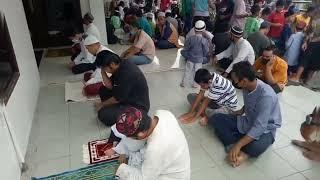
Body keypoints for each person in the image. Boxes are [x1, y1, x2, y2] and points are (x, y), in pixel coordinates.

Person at [210, 61, 282, 167]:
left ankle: (241, 149)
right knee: (216, 118)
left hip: (266, 130)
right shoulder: (246, 87)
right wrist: (242, 110)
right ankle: (236, 147)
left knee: (256, 147)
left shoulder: (266, 95)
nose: (235, 84)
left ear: (244, 81)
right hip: (247, 121)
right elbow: (251, 102)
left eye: (236, 82)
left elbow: (260, 127)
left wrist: (239, 144)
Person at [115, 108, 190, 179]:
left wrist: (121, 169)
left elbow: (144, 178)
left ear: (141, 134)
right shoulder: (163, 113)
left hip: (173, 176)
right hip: (174, 161)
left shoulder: (155, 149)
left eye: (132, 138)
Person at [94, 50, 150, 126]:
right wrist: (102, 72)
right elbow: (110, 86)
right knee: (102, 90)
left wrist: (102, 104)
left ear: (112, 64)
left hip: (138, 107)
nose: (104, 70)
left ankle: (133, 116)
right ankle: (114, 108)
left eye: (104, 68)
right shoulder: (120, 64)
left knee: (103, 115)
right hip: (126, 97)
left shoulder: (126, 74)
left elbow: (117, 99)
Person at [289, 10, 320, 85]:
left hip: (316, 44)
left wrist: (311, 41)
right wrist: (306, 41)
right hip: (310, 42)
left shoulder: (314, 19)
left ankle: (303, 79)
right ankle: (299, 77)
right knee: (305, 60)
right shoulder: (313, 19)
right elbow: (308, 31)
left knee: (311, 62)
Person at [180, 21, 210, 88]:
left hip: (190, 58)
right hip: (199, 60)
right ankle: (195, 84)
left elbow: (186, 47)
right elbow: (206, 51)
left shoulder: (191, 38)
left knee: (187, 70)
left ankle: (183, 83)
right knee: (198, 72)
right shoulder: (204, 40)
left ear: (194, 29)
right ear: (203, 30)